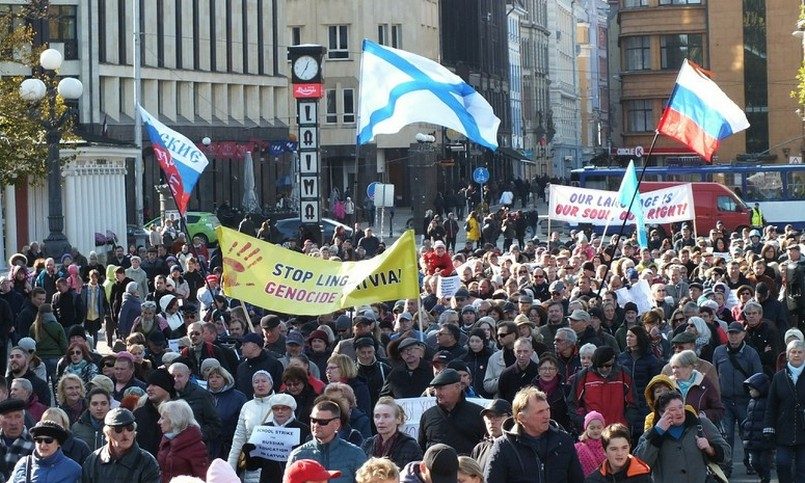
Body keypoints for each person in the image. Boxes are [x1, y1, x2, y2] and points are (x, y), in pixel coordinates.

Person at [484, 386, 584, 482]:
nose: (546, 415)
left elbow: (577, 479)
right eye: (540, 412)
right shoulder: (503, 447)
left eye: (547, 409)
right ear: (521, 418)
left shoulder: (563, 441)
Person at [634, 391, 729, 483]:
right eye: (672, 410)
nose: (679, 412)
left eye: (680, 407)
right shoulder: (652, 433)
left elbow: (727, 453)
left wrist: (710, 449)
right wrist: (657, 433)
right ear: (661, 413)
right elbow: (640, 464)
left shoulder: (701, 424)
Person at [285, 400, 368, 483]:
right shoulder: (298, 455)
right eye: (313, 420)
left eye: (323, 422)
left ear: (337, 424)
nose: (316, 425)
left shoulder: (355, 454)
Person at [763, 339, 805, 483]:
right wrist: (768, 427)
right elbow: (771, 405)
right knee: (782, 464)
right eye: (793, 352)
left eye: (800, 352)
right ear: (787, 355)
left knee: (802, 468)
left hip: (803, 429)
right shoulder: (778, 377)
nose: (797, 355)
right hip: (783, 429)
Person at [80, 408, 161, 482]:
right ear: (108, 433)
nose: (125, 433)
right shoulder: (93, 460)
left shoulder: (147, 462)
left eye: (129, 428)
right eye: (118, 429)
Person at [418, 369, 485, 456]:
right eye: (435, 389)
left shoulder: (478, 413)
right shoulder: (428, 416)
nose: (437, 393)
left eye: (441, 388)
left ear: (457, 387)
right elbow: (421, 448)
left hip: (467, 468)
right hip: (436, 468)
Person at [226, 370, 274, 482]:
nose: (260, 384)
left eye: (264, 381)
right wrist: (230, 468)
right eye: (256, 382)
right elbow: (239, 438)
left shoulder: (280, 404)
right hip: (251, 465)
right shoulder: (247, 407)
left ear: (271, 383)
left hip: (273, 466)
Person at [8, 420, 82, 483]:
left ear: (59, 443)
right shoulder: (23, 464)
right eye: (39, 440)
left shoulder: (73, 469)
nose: (43, 445)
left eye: (48, 441)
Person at [360, 396, 422, 470]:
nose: (380, 421)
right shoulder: (367, 444)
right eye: (377, 416)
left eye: (386, 416)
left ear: (398, 419)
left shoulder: (410, 446)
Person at [156, 399, 209, 483]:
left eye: (162, 418)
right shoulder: (166, 440)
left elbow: (202, 478)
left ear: (174, 419)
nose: (159, 422)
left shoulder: (197, 447)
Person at [668, 350, 724, 423]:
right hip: (673, 427)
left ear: (689, 367)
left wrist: (703, 415)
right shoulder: (668, 384)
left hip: (698, 428)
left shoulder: (704, 383)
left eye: (678, 367)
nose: (674, 371)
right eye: (673, 367)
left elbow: (719, 410)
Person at [583, 423, 651, 483]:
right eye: (614, 449)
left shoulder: (643, 478)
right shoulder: (593, 480)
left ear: (629, 447)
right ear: (604, 451)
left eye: (624, 448)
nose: (620, 453)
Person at [205, 365, 247, 459]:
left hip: (228, 446)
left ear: (226, 379)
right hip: (208, 446)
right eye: (211, 377)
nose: (214, 380)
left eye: (218, 377)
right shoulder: (204, 396)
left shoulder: (238, 397)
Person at [742, 372, 773, 483]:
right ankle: (762, 476)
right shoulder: (751, 402)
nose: (750, 392)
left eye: (752, 389)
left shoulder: (769, 402)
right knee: (754, 461)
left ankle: (765, 478)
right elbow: (750, 417)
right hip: (753, 438)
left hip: (764, 438)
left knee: (764, 462)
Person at [470, 398, 511, 470]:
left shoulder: (518, 447)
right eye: (488, 417)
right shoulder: (480, 448)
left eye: (497, 416)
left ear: (510, 418)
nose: (491, 421)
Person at [0, 398, 35, 480]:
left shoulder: (36, 443)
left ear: (24, 419)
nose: (13, 422)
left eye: (18, 416)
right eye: (8, 417)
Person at [575, 411, 607, 477]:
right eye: (592, 428)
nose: (596, 431)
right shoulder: (578, 448)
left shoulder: (608, 445)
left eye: (599, 427)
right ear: (586, 429)